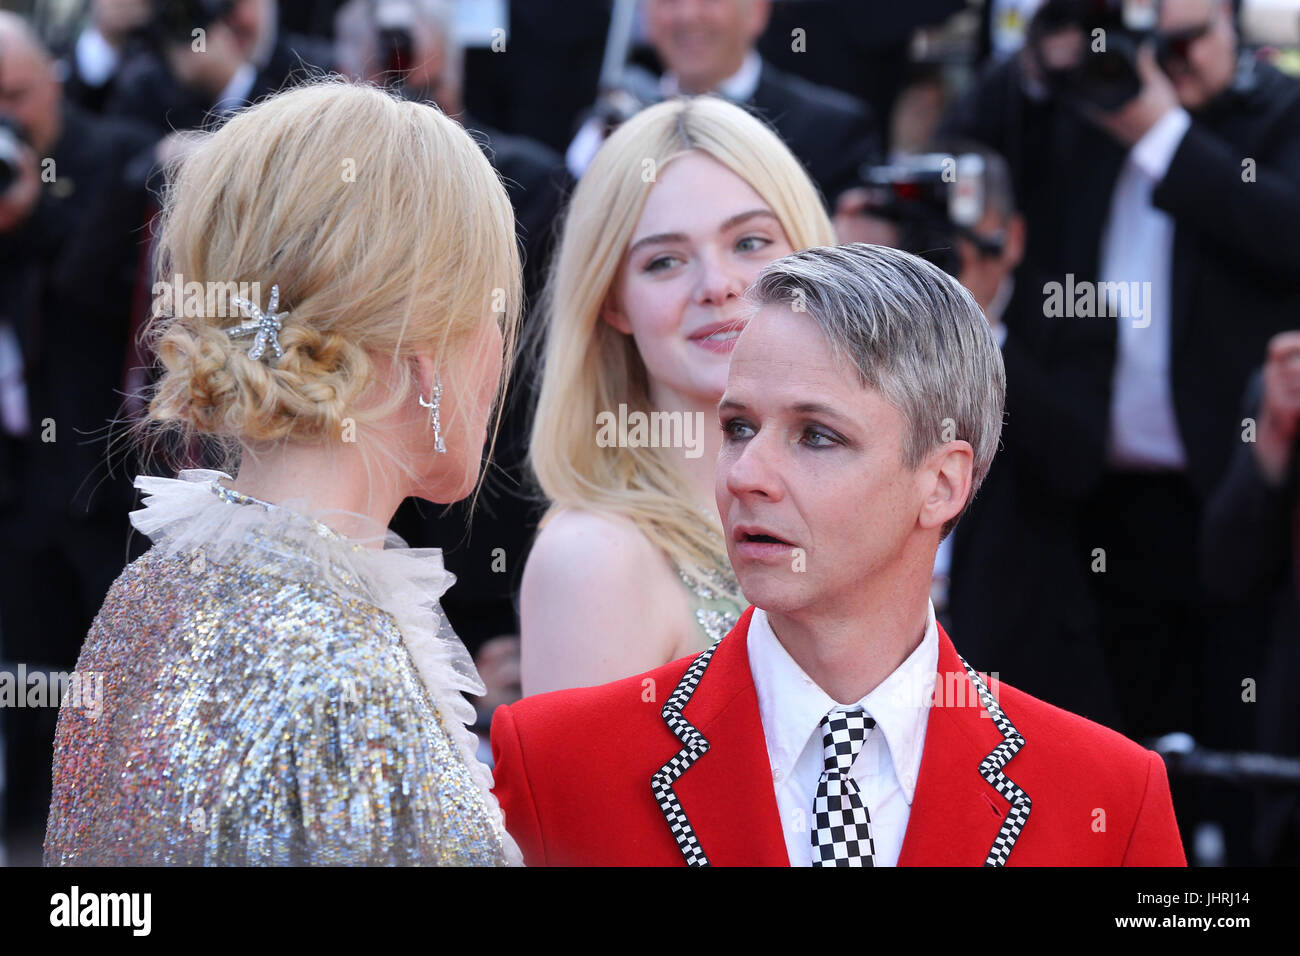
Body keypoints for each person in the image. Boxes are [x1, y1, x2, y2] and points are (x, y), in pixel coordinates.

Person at [492, 243, 1186, 867]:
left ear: (942, 484)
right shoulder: (557, 764)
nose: (743, 474)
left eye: (816, 436)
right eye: (738, 427)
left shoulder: (1111, 801)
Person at [43, 78, 524, 866]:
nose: (502, 355)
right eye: (497, 316)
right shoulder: (343, 676)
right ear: (425, 361)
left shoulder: (151, 591)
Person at [521, 94, 835, 695]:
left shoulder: (863, 512)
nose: (717, 286)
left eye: (749, 243)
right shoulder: (594, 560)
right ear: (612, 303)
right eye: (665, 261)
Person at [566, 0, 881, 208]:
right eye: (668, 0)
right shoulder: (609, 127)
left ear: (756, 12)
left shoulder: (831, 130)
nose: (688, 15)